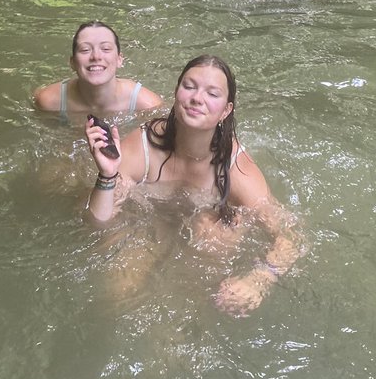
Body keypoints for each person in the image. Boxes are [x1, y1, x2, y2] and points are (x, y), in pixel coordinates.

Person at [84, 55, 301, 315]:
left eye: (212, 93)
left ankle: (189, 315)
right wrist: (107, 175)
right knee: (118, 291)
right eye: (189, 86)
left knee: (214, 233)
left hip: (207, 227)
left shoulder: (237, 169)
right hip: (155, 220)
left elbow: (290, 237)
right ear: (176, 93)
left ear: (226, 110)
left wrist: (258, 280)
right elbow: (98, 221)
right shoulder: (144, 145)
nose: (197, 98)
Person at [34, 21, 162, 123]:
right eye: (85, 50)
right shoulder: (49, 102)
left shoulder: (147, 105)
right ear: (72, 62)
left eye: (105, 48)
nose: (96, 56)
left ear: (119, 59)